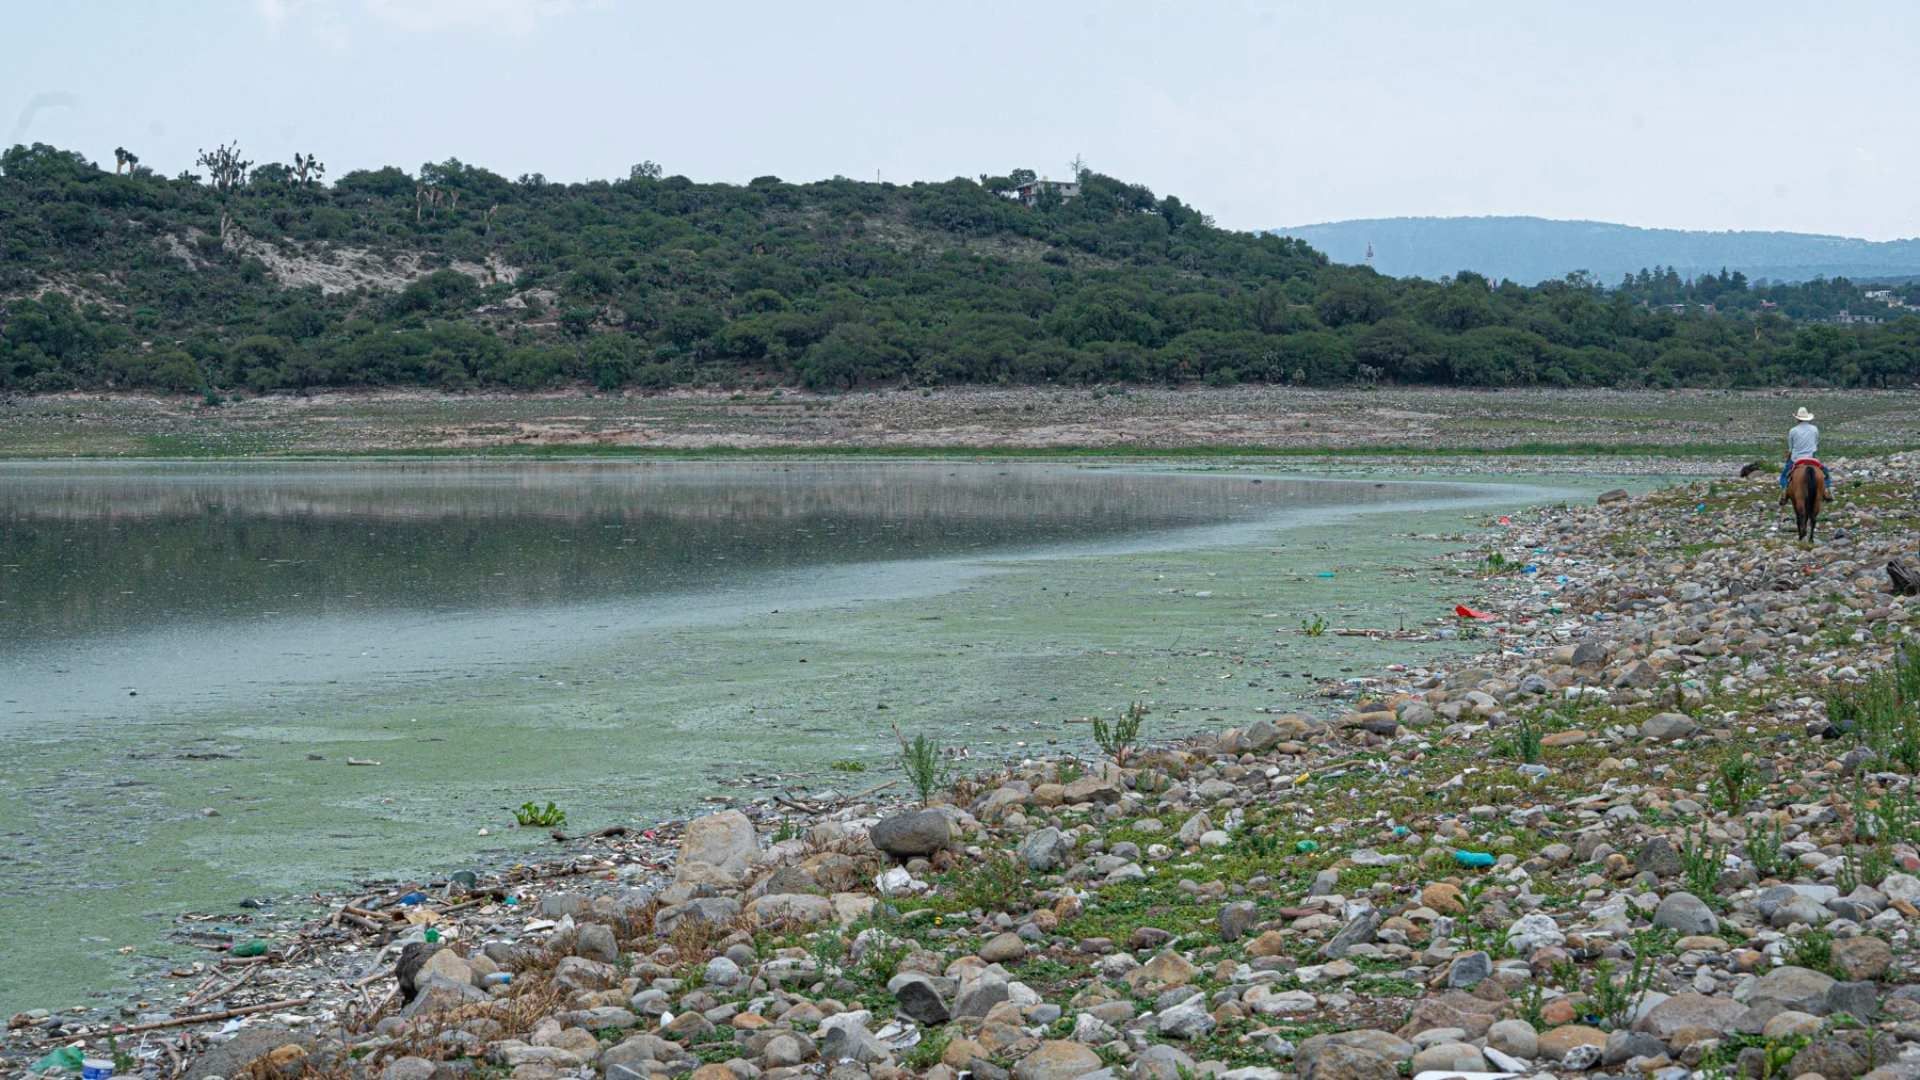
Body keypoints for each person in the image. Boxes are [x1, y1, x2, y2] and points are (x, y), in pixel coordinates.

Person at [1779, 406, 1831, 502]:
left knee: (1784, 475)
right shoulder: (1815, 429)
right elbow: (1816, 444)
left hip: (1796, 459)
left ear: (1798, 418)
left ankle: (1784, 492)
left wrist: (1788, 458)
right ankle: (1827, 490)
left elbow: (1791, 448)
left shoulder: (1793, 430)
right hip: (1811, 458)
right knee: (1826, 473)